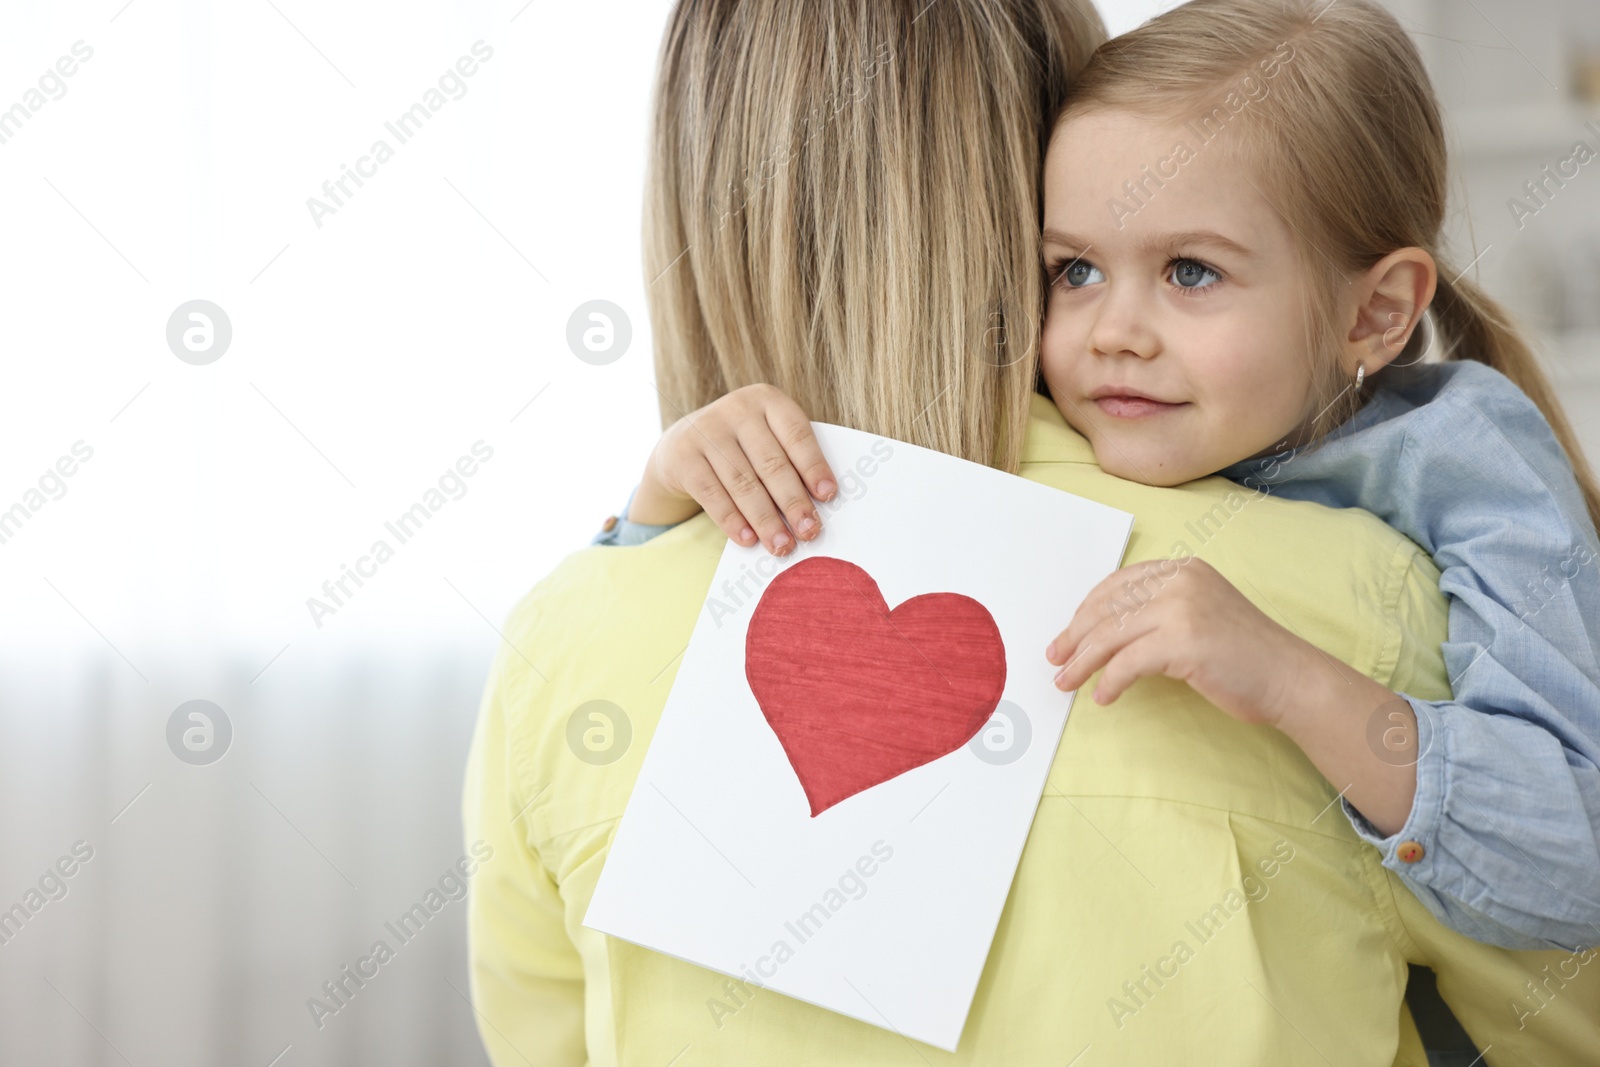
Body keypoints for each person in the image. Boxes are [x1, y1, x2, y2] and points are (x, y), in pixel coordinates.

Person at [467, 2, 1600, 1064]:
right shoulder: (1376, 598)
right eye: (1075, 271)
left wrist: (637, 550)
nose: (1116, 334)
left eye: (1191, 270)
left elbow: (545, 1035)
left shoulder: (565, 634)